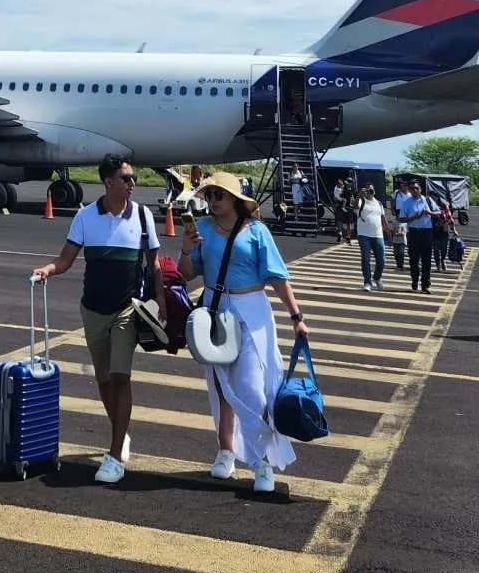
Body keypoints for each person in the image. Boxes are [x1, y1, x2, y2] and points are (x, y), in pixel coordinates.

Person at [31, 153, 163, 484]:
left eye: (133, 178)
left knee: (120, 377)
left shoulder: (143, 217)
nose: (133, 183)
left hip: (127, 310)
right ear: (108, 182)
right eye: (127, 178)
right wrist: (48, 269)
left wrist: (160, 302)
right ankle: (121, 431)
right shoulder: (86, 216)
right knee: (104, 380)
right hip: (92, 310)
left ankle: (115, 455)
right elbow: (66, 259)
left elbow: (155, 265)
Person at [178, 172, 309, 493]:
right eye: (208, 196)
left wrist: (296, 316)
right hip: (214, 307)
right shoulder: (202, 230)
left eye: (218, 196)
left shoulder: (257, 231)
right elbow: (188, 274)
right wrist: (185, 249)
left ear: (234, 199)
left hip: (251, 309)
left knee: (253, 389)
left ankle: (262, 461)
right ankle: (225, 451)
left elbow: (278, 276)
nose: (211, 202)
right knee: (220, 385)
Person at [393, 179, 435, 293]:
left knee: (427, 260)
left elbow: (439, 212)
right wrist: (413, 217)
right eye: (412, 189)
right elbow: (401, 218)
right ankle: (415, 280)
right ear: (410, 191)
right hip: (414, 232)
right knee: (414, 259)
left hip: (427, 231)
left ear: (420, 189)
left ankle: (425, 284)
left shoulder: (427, 200)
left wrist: (430, 213)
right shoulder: (407, 202)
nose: (415, 190)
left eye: (417, 188)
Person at [354, 184, 387, 291]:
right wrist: (359, 196)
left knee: (381, 260)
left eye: (372, 190)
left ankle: (377, 278)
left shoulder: (379, 203)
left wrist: (389, 233)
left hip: (378, 235)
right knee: (365, 259)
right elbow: (355, 207)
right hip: (364, 234)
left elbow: (383, 218)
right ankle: (367, 282)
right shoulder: (361, 201)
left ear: (374, 191)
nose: (370, 192)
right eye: (368, 190)